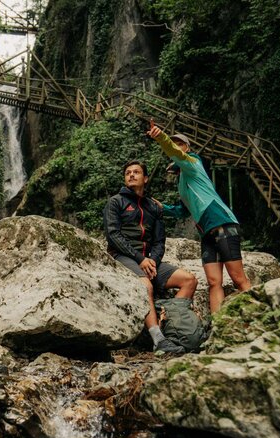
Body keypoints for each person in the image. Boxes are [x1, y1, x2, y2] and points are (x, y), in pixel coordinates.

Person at [148, 121, 252, 314]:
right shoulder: (183, 182)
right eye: (174, 143)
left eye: (180, 143)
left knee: (239, 279)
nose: (177, 146)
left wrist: (162, 138)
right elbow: (183, 210)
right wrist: (163, 208)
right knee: (214, 282)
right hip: (206, 233)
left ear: (187, 148)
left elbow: (177, 154)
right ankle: (217, 326)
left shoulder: (194, 162)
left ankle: (262, 316)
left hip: (222, 223)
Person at [102, 160, 198, 354]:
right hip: (123, 256)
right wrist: (140, 259)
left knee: (189, 280)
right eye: (128, 172)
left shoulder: (153, 206)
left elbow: (159, 240)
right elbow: (113, 235)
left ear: (145, 178)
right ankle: (157, 339)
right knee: (145, 286)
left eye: (136, 172)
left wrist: (153, 259)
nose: (131, 175)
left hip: (149, 260)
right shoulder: (116, 201)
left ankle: (171, 327)